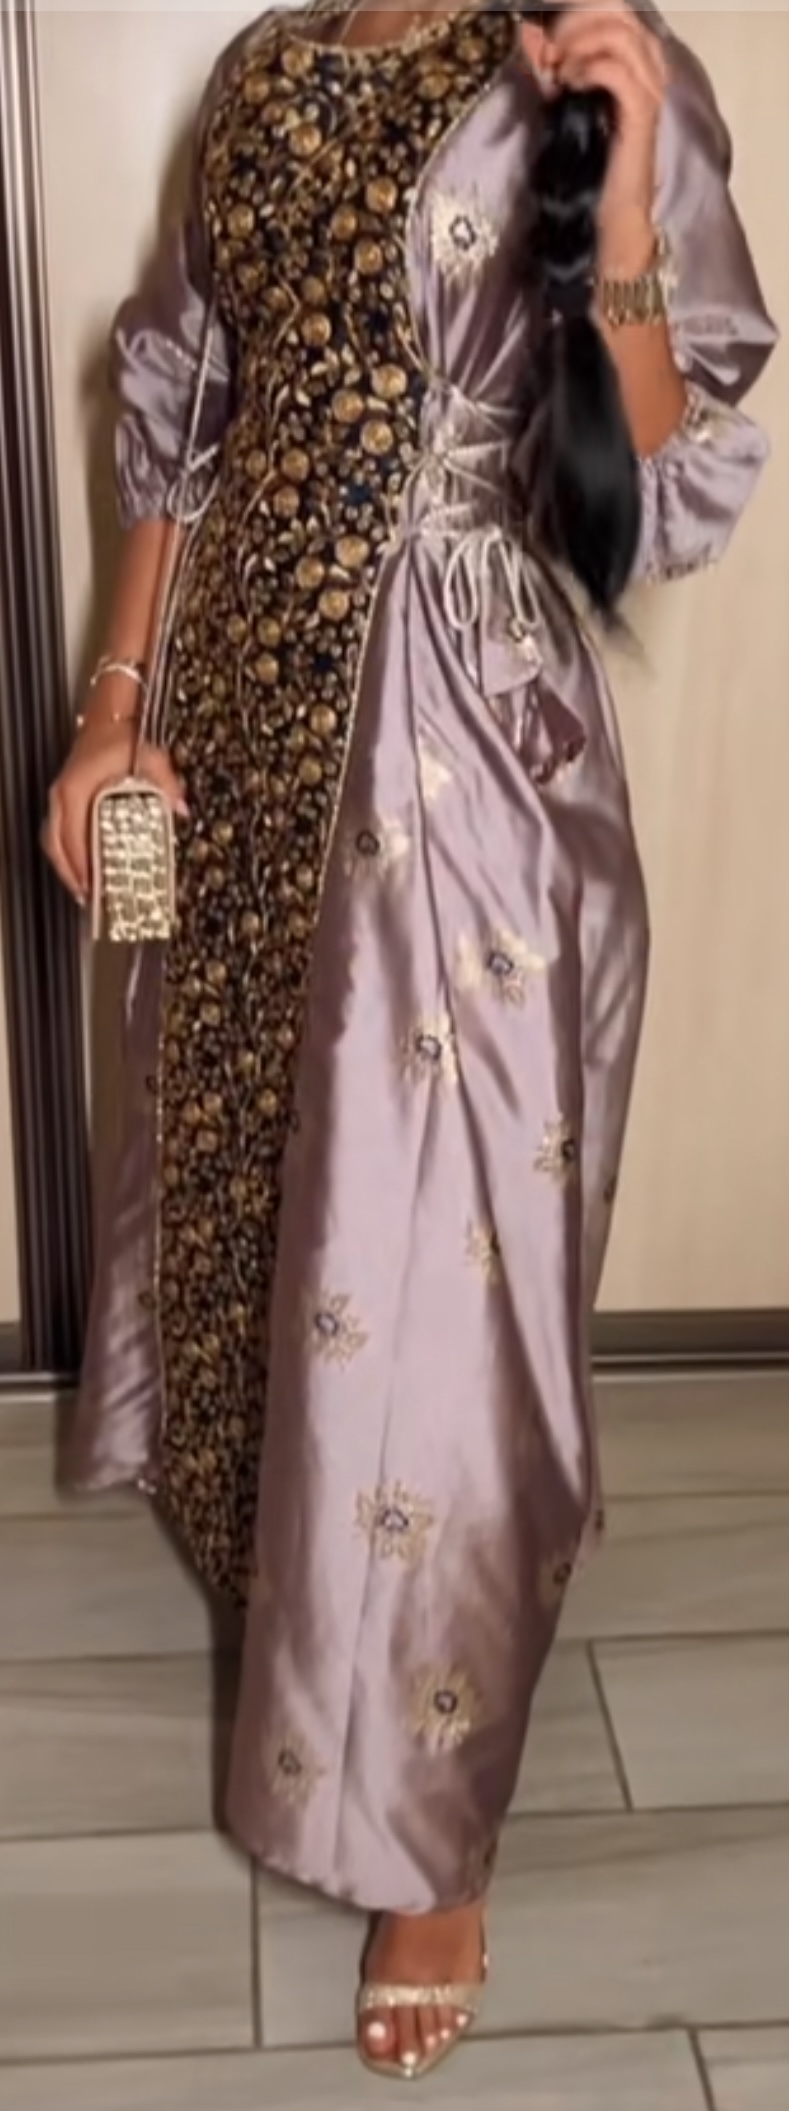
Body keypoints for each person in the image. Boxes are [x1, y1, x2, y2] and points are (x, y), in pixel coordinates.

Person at [43, 0, 775, 2082]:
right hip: (244, 723)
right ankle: (308, 1579)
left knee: (446, 1263)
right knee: (258, 1184)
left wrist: (621, 205)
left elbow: (668, 484)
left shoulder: (578, 64)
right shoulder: (266, 73)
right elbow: (182, 401)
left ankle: (428, 1832)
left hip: (459, 748)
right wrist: (117, 706)